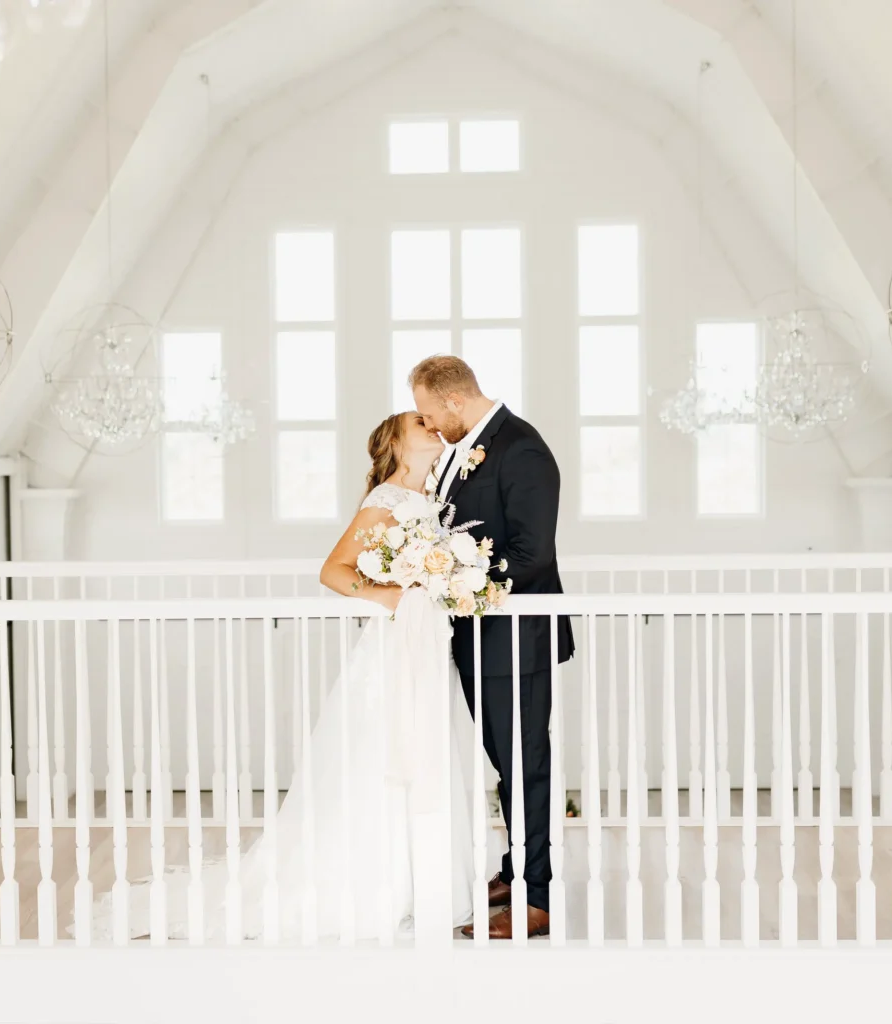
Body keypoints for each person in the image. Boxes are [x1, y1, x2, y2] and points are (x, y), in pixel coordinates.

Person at [89, 412, 476, 942]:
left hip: (427, 645)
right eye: (418, 422)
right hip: (392, 648)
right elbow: (334, 570)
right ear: (395, 441)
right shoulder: (384, 500)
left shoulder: (429, 500)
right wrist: (392, 596)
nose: (432, 426)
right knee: (382, 755)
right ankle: (370, 885)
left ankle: (419, 882)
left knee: (424, 750)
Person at [410, 354, 574, 939]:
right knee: (506, 765)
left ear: (455, 402)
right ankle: (515, 869)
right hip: (478, 636)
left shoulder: (521, 449)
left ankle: (537, 898)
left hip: (517, 640)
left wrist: (457, 582)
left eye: (430, 414)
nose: (427, 426)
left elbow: (535, 556)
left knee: (526, 765)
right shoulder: (464, 452)